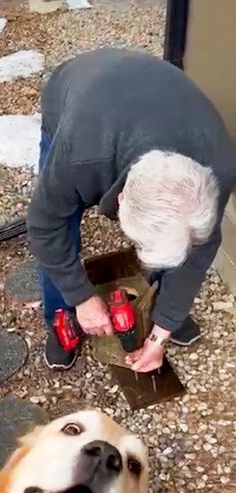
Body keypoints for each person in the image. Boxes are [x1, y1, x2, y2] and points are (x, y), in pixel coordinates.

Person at [27, 48, 236, 372]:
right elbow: (44, 227)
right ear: (120, 198)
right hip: (79, 88)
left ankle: (159, 307)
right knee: (61, 222)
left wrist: (162, 331)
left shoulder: (217, 170)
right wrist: (81, 296)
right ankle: (63, 317)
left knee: (181, 242)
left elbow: (200, 251)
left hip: (155, 92)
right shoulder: (80, 155)